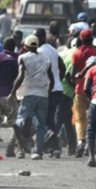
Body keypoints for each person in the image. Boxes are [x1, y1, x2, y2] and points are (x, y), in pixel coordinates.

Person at [8, 35, 54, 160]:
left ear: (25, 46)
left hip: (27, 94)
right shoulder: (46, 58)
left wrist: (13, 92)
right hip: (42, 95)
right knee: (40, 125)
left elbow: (21, 76)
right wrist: (47, 92)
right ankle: (38, 152)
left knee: (20, 121)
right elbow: (52, 79)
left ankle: (20, 150)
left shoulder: (23, 58)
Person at [35, 28, 65, 158]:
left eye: (35, 36)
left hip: (47, 90)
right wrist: (59, 80)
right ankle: (54, 148)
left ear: (41, 37)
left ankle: (41, 148)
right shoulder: (53, 50)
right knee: (49, 119)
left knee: (41, 120)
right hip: (57, 89)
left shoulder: (40, 51)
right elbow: (62, 67)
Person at [71, 29, 96, 157]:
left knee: (80, 119)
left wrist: (76, 83)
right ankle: (89, 143)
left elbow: (72, 74)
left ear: (81, 39)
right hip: (95, 90)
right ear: (92, 39)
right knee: (92, 118)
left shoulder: (76, 53)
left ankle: (80, 142)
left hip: (80, 89)